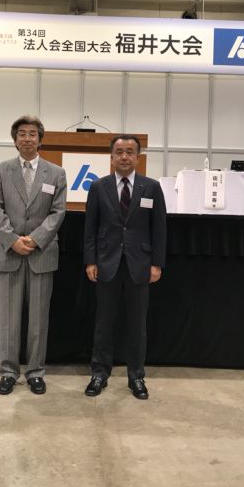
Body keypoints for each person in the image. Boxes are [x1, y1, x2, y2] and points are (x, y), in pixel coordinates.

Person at [83, 134, 167, 400]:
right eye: (119, 152)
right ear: (111, 157)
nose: (124, 156)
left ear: (137, 157)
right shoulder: (99, 187)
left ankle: (136, 377)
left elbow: (159, 229)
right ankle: (99, 374)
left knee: (137, 325)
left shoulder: (151, 187)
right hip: (106, 264)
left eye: (130, 152)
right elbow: (90, 228)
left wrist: (157, 263)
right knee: (103, 323)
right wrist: (90, 260)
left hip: (139, 265)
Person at [0, 115, 67, 396]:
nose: (27, 138)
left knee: (38, 320)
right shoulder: (0, 171)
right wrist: (12, 240)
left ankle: (35, 372)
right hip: (8, 253)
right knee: (7, 320)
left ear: (40, 139)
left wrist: (35, 239)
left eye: (32, 134)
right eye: (22, 134)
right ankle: (8, 372)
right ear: (15, 140)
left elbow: (58, 211)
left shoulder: (56, 173)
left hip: (41, 253)